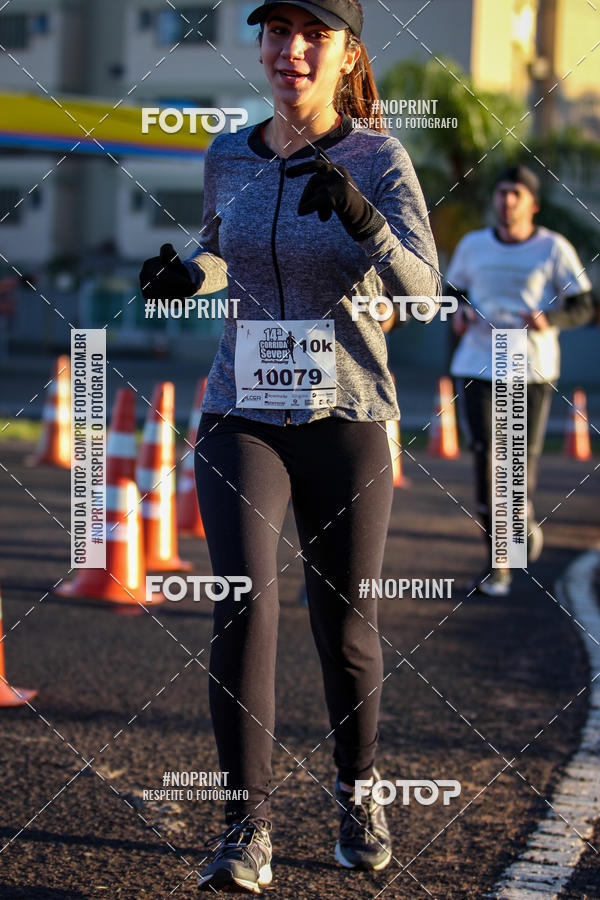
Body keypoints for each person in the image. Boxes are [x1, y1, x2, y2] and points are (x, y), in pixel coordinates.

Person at [140, 0, 441, 892]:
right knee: (242, 606)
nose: (292, 49)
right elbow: (225, 250)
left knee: (345, 627)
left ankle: (359, 793)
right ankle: (246, 829)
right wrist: (185, 273)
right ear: (261, 46)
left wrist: (362, 218)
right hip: (242, 415)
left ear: (347, 54)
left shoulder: (379, 157)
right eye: (277, 31)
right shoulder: (229, 153)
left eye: (313, 34)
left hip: (345, 421)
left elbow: (425, 293)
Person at [447, 164, 594, 598]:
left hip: (528, 366)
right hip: (477, 361)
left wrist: (551, 318)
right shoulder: (474, 245)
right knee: (486, 462)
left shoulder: (553, 247)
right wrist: (458, 313)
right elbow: (449, 293)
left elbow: (584, 305)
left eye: (515, 194)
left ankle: (515, 534)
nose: (506, 201)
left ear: (532, 203)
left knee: (515, 467)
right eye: (501, 193)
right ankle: (500, 565)